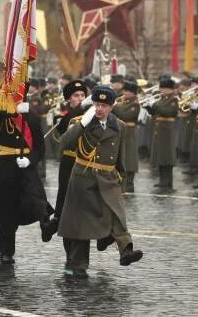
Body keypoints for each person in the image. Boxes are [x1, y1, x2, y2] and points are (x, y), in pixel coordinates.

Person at [57, 86, 144, 278]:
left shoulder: (119, 126)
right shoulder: (80, 121)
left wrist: (123, 182)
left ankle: (126, 251)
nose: (100, 109)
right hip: (83, 177)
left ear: (112, 106)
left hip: (108, 177)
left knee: (117, 214)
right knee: (81, 224)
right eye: (97, 104)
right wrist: (82, 125)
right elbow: (64, 143)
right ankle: (78, 264)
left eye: (104, 105)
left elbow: (120, 157)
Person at [0, 98, 55, 264]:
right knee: (6, 209)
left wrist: (31, 159)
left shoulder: (32, 117)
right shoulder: (0, 111)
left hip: (25, 165)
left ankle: (46, 226)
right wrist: (12, 111)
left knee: (37, 198)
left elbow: (40, 147)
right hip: (5, 166)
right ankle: (7, 251)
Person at [46, 79, 89, 240]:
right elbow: (61, 135)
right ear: (69, 99)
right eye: (76, 95)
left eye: (83, 95)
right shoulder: (68, 117)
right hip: (70, 160)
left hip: (86, 161)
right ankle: (57, 220)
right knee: (64, 195)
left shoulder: (90, 113)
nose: (80, 98)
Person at [144, 78, 178, 190]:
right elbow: (157, 112)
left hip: (167, 131)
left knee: (167, 156)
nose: (161, 90)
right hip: (160, 130)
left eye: (163, 88)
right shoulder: (163, 98)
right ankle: (162, 180)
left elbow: (169, 112)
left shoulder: (173, 99)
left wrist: (155, 105)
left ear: (169, 89)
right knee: (161, 156)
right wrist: (149, 107)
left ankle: (168, 181)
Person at [112, 81, 144, 192]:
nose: (124, 93)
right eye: (124, 90)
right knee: (121, 156)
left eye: (127, 91)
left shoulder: (135, 104)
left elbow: (126, 115)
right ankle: (121, 181)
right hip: (120, 131)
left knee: (130, 157)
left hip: (130, 132)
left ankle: (129, 183)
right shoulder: (121, 101)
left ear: (132, 93)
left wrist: (115, 107)